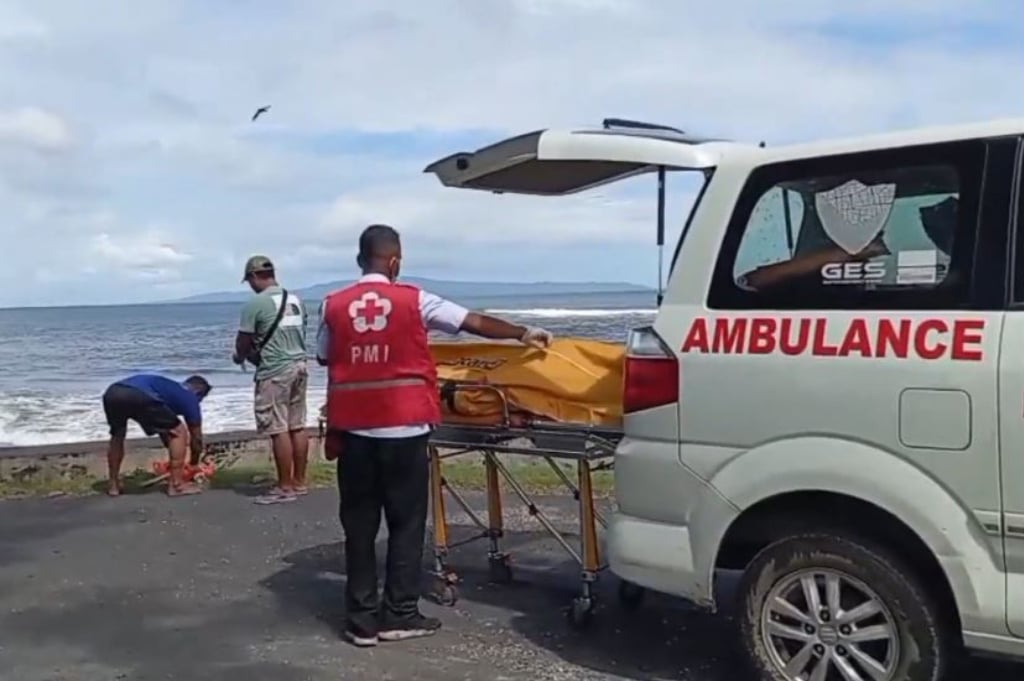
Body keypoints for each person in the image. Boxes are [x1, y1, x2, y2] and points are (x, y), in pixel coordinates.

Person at [317, 224, 553, 647]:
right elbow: (471, 322)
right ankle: (400, 615)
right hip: (404, 430)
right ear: (395, 261)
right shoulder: (414, 299)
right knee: (406, 524)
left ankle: (361, 622)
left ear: (359, 260)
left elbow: (323, 354)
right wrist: (522, 333)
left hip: (353, 431)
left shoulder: (332, 304)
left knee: (359, 525)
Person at [233, 255, 311, 505]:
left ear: (255, 276)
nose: (251, 285)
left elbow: (243, 341)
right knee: (296, 425)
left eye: (250, 280)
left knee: (277, 429)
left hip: (275, 370)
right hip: (299, 366)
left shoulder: (256, 303)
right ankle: (299, 482)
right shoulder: (296, 300)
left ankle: (284, 487)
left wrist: (239, 357)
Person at [102, 373, 211, 497]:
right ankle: (177, 485)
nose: (199, 402)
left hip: (113, 392)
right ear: (198, 392)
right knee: (180, 431)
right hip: (140, 394)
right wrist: (193, 464)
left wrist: (173, 451)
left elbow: (163, 428)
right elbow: (196, 439)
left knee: (117, 436)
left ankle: (113, 486)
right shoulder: (190, 397)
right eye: (201, 399)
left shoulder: (169, 390)